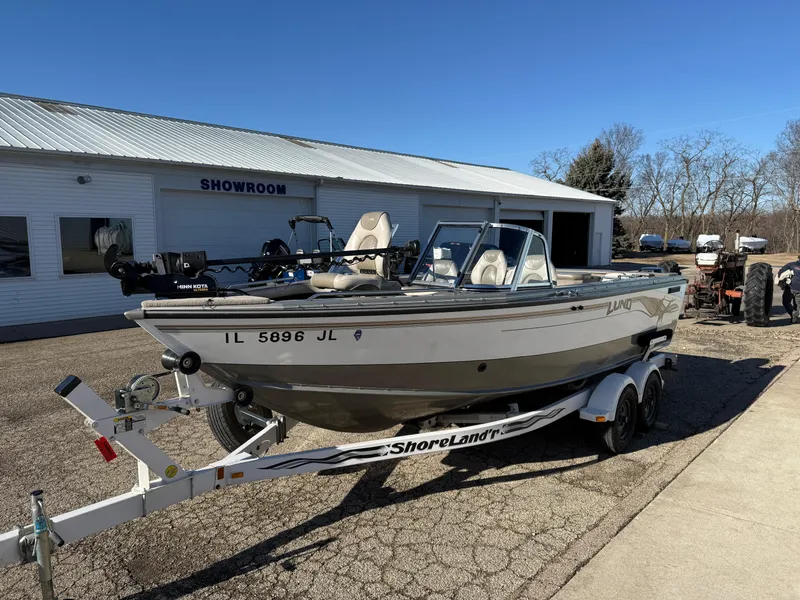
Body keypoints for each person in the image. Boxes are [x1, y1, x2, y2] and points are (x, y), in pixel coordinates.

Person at [778, 256, 800, 324]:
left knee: (786, 302)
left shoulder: (791, 265)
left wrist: (781, 281)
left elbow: (781, 272)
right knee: (797, 305)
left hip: (790, 288)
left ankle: (793, 314)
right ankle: (796, 317)